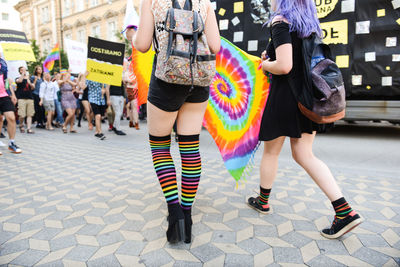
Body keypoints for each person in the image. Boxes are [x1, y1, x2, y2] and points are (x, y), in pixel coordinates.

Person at [247, 0, 362, 239]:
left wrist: (264, 63)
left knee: (271, 152)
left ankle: (263, 201)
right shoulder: (309, 24)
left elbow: (285, 65)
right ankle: (344, 210)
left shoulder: (280, 22)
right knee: (305, 154)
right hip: (308, 97)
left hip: (285, 97)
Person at [132, 0, 220, 243]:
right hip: (198, 79)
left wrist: (132, 39)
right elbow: (215, 45)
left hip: (166, 80)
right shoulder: (205, 3)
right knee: (190, 149)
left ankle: (174, 213)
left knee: (160, 148)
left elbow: (141, 45)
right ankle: (188, 216)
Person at [0, 58, 22, 154]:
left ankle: (11, 143)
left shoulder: (2, 63)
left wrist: (13, 94)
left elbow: (6, 80)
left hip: (4, 95)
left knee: (11, 118)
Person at [85, 72, 110, 140]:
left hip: (101, 100)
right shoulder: (89, 77)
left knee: (100, 117)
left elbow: (106, 88)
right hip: (93, 99)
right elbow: (83, 86)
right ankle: (100, 132)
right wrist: (84, 76)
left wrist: (105, 94)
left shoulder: (102, 78)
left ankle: (96, 132)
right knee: (98, 116)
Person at [15, 66, 35, 134]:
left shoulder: (29, 79)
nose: (24, 71)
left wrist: (29, 82)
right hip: (21, 98)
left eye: (24, 70)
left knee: (30, 114)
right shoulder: (18, 78)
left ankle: (29, 128)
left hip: (30, 98)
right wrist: (23, 75)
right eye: (22, 70)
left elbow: (33, 87)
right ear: (20, 71)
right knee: (22, 115)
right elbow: (19, 81)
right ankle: (21, 125)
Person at [124, 64, 140, 130]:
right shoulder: (126, 73)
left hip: (136, 90)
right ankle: (136, 123)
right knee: (133, 106)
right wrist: (129, 81)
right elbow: (124, 81)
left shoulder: (137, 73)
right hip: (129, 90)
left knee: (133, 107)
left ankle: (132, 121)